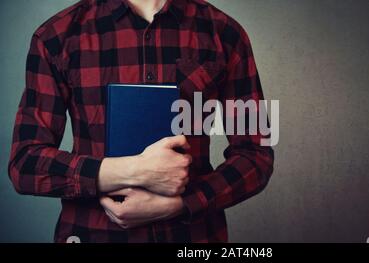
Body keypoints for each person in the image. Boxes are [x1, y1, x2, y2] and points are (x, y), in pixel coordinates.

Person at [8, 0, 274, 243]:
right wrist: (134, 171)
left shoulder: (225, 33)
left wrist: (183, 203)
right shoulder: (56, 36)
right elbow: (26, 164)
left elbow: (256, 154)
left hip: (193, 240)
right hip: (91, 234)